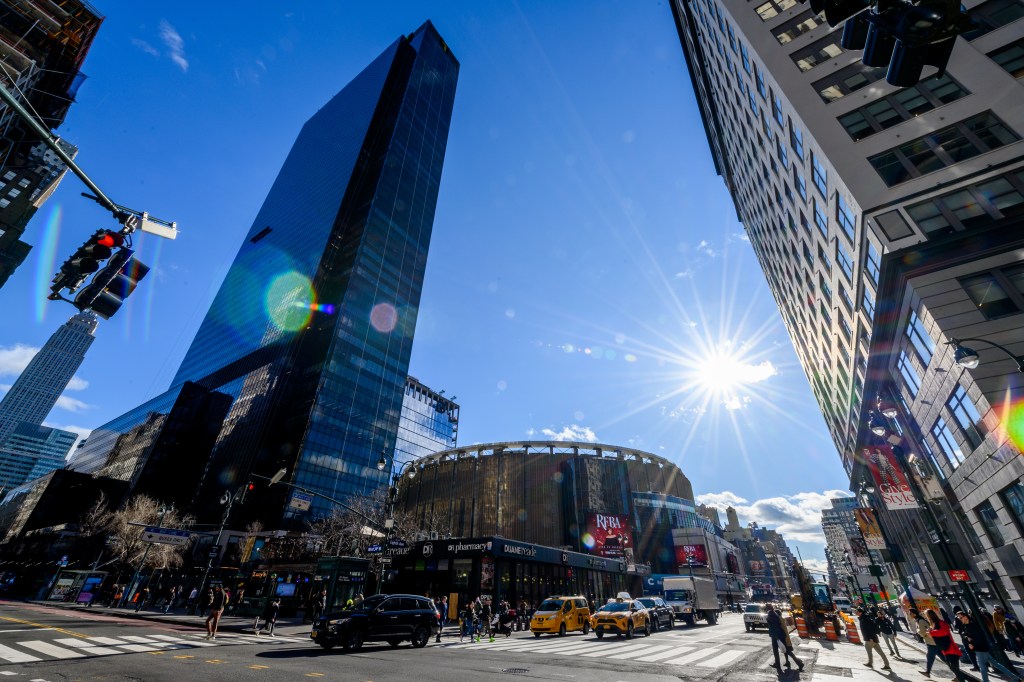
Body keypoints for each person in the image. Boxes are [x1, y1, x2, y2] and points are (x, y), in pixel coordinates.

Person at [957, 611, 1022, 682]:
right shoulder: (965, 625)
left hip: (980, 648)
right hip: (978, 648)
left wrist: (972, 644)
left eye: (961, 617)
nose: (960, 619)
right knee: (996, 665)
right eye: (959, 618)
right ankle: (1016, 678)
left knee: (982, 667)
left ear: (965, 616)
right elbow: (966, 635)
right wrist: (967, 639)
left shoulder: (973, 625)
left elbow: (979, 637)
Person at [927, 609, 968, 681]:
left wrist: (932, 632)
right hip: (945, 649)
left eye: (926, 616)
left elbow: (944, 632)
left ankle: (962, 678)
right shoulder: (934, 624)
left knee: (954, 667)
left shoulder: (940, 623)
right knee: (954, 667)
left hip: (950, 648)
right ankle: (960, 678)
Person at [767, 604, 803, 673]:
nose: (767, 608)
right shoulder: (774, 614)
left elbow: (774, 626)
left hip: (776, 636)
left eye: (768, 607)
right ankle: (778, 664)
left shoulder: (771, 614)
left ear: (770, 608)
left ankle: (799, 663)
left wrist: (776, 637)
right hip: (778, 635)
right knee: (785, 651)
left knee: (781, 651)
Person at [913, 607, 941, 677]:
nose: (924, 615)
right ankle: (927, 672)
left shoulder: (924, 621)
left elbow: (924, 632)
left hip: (932, 642)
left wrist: (927, 632)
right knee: (933, 657)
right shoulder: (929, 621)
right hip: (932, 642)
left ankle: (927, 672)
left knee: (931, 657)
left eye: (925, 614)